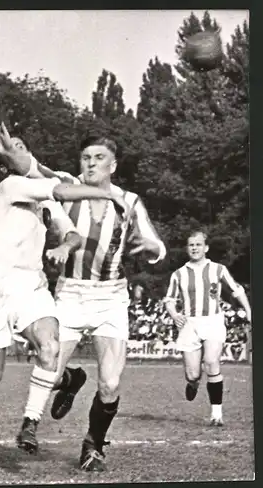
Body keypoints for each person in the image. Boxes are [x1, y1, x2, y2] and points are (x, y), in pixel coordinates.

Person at [0, 116, 129, 454]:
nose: (20, 152)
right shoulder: (11, 186)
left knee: (49, 346)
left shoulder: (44, 199)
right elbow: (59, 188)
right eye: (12, 150)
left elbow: (71, 232)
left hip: (32, 285)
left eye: (22, 146)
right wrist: (106, 193)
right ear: (4, 166)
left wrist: (64, 245)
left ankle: (29, 425)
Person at [38, 135, 166, 471]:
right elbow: (36, 169)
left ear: (113, 165)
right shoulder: (66, 186)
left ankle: (93, 446)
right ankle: (71, 380)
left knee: (110, 383)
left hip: (110, 298)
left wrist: (151, 248)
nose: (91, 163)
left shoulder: (129, 201)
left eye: (99, 157)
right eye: (85, 157)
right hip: (69, 294)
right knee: (47, 377)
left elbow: (157, 244)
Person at [164, 230, 251, 426]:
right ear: (187, 248)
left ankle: (216, 415)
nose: (194, 248)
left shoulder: (218, 269)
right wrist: (175, 314)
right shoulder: (178, 274)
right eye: (191, 245)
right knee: (193, 374)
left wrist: (249, 311)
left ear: (206, 248)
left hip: (213, 320)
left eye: (198, 244)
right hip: (189, 324)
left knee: (212, 362)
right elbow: (169, 300)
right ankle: (193, 383)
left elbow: (237, 291)